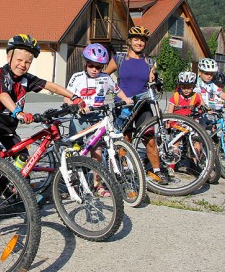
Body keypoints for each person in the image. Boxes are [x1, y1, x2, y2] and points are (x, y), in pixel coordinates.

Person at [0, 34, 85, 167]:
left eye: (27, 62)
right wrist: (18, 113)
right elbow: (2, 95)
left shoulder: (26, 79)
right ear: (9, 57)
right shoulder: (0, 74)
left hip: (7, 130)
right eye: (19, 60)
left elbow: (50, 85)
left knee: (23, 157)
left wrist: (74, 97)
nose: (23, 65)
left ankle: (11, 183)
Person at [104, 26, 167, 185]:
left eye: (142, 40)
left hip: (144, 105)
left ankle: (157, 170)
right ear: (130, 41)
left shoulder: (150, 62)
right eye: (136, 39)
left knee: (150, 139)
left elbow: (153, 83)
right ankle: (126, 170)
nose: (139, 43)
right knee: (125, 139)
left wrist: (156, 80)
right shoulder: (118, 58)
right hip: (123, 104)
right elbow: (104, 77)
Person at [64, 43, 119, 196]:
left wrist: (126, 99)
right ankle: (73, 183)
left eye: (99, 67)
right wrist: (75, 106)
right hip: (79, 119)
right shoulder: (77, 77)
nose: (94, 69)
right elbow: (67, 97)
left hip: (97, 118)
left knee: (97, 151)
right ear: (86, 63)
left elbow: (116, 91)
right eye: (91, 65)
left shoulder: (106, 78)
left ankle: (98, 185)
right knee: (75, 151)